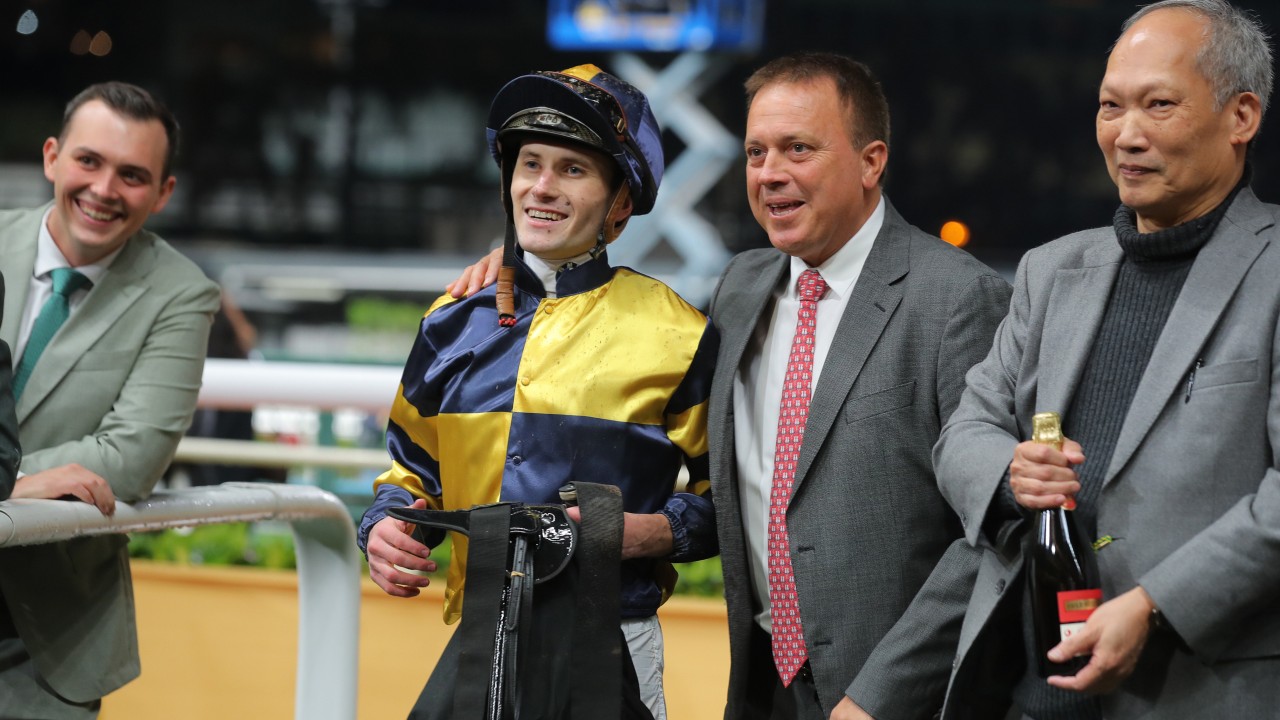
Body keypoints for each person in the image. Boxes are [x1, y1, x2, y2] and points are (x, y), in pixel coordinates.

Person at [448, 52, 1012, 720]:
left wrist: (877, 697)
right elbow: (732, 487)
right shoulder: (742, 289)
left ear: (871, 161)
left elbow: (992, 535)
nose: (771, 173)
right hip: (762, 685)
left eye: (798, 149)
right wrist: (522, 265)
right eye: (755, 152)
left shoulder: (959, 298)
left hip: (898, 696)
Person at [934, 1, 1279, 718]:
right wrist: (1007, 473)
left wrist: (1154, 605)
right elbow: (966, 430)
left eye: (1158, 105)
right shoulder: (1049, 270)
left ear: (1242, 116)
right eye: (1109, 107)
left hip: (1196, 689)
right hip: (1026, 693)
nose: (1126, 135)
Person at [358, 64, 718, 720]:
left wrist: (645, 534)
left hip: (615, 645)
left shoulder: (681, 333)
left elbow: (728, 502)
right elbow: (409, 474)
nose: (542, 188)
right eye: (530, 164)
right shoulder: (450, 319)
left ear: (620, 203)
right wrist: (387, 526)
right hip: (478, 643)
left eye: (572, 170)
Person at [0, 82, 221, 718]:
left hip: (43, 633)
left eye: (131, 174)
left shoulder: (182, 294)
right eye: (88, 161)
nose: (103, 189)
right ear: (51, 157)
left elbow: (130, 457)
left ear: (162, 193)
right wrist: (11, 481)